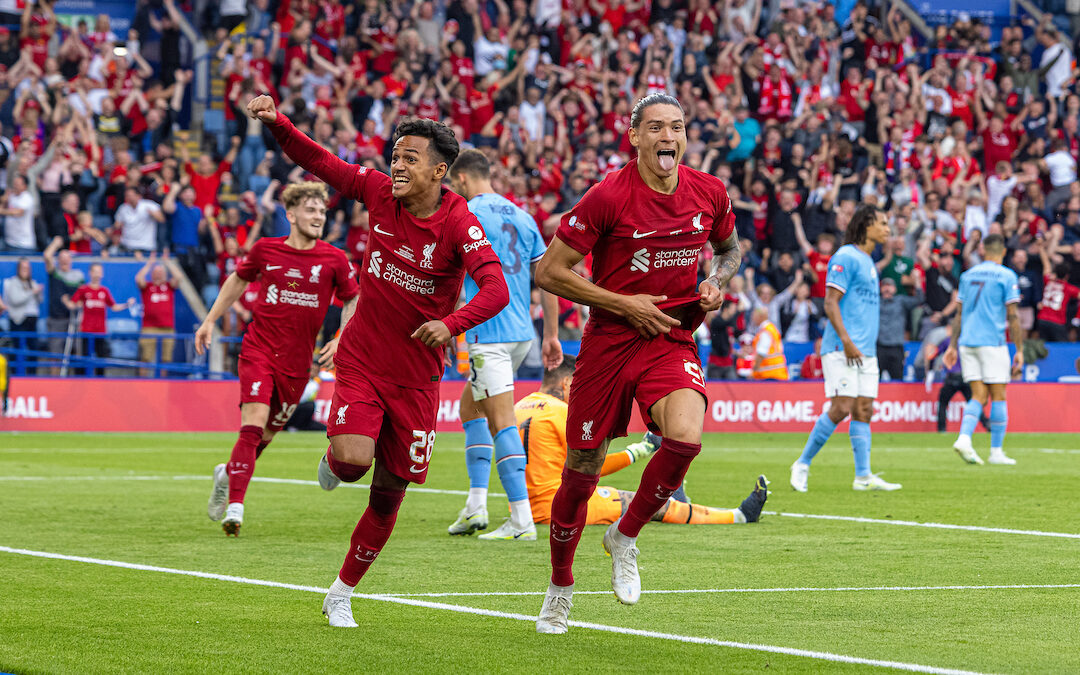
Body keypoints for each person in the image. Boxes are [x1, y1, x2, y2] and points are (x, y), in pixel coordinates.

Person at [245, 95, 508, 628]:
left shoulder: (460, 224)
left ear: (440, 171)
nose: (398, 164)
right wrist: (279, 124)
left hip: (417, 378)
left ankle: (341, 592)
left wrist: (450, 324)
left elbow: (496, 290)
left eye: (411, 158)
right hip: (363, 359)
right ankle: (333, 462)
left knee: (389, 496)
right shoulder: (377, 193)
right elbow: (320, 162)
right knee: (351, 462)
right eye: (396, 154)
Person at [531, 93, 741, 634]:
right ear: (635, 136)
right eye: (654, 128)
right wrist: (624, 303)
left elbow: (729, 250)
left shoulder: (709, 191)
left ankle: (624, 535)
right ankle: (559, 587)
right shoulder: (608, 196)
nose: (666, 136)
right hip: (608, 341)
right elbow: (551, 272)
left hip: (669, 337)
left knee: (687, 438)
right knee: (579, 473)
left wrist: (715, 281)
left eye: (676, 127)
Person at [196, 181, 360, 536]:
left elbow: (353, 298)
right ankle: (236, 508)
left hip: (298, 363)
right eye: (311, 210)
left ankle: (228, 473)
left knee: (264, 438)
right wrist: (210, 320)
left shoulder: (333, 258)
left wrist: (342, 337)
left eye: (322, 211)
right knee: (252, 424)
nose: (319, 216)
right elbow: (237, 282)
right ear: (291, 214)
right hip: (258, 350)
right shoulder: (265, 249)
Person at [445, 148, 563, 541]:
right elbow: (547, 278)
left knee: (500, 420)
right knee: (470, 407)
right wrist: (550, 335)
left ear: (461, 179)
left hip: (488, 332)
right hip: (521, 333)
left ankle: (521, 520)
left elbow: (451, 275)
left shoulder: (466, 214)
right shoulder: (524, 216)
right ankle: (476, 507)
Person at [518, 356, 768, 528]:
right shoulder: (561, 412)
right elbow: (591, 467)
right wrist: (641, 450)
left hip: (526, 509)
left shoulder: (518, 408)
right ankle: (738, 517)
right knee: (651, 505)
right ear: (567, 383)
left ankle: (677, 497)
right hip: (560, 507)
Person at [790, 205, 901, 493]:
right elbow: (830, 302)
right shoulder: (846, 256)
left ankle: (863, 476)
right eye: (883, 223)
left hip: (866, 351)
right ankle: (802, 463)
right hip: (842, 347)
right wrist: (848, 342)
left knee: (864, 409)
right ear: (867, 225)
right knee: (841, 407)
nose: (888, 229)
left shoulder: (868, 260)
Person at [943, 234, 1024, 465]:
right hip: (992, 342)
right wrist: (1019, 349)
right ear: (1003, 252)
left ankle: (964, 438)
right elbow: (1013, 315)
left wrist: (952, 345)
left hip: (968, 342)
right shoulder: (1007, 276)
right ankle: (996, 451)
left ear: (983, 250)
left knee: (978, 395)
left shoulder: (967, 275)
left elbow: (958, 314)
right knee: (998, 395)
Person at [64, 263, 135, 376]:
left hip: (100, 332)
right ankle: (82, 383)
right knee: (84, 360)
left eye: (99, 272)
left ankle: (100, 383)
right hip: (86, 331)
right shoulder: (83, 290)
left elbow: (114, 306)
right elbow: (73, 304)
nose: (97, 274)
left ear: (102, 274)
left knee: (101, 360)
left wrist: (127, 305)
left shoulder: (104, 291)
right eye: (95, 271)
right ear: (90, 273)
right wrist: (66, 302)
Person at [43, 237, 85, 373]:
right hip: (57, 320)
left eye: (68, 258)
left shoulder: (78, 276)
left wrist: (77, 304)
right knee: (55, 355)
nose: (65, 260)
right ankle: (55, 383)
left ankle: (75, 386)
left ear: (71, 260)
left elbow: (84, 296)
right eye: (62, 258)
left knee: (77, 355)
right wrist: (55, 243)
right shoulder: (55, 273)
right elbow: (47, 256)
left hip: (74, 320)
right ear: (59, 260)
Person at [135, 252, 179, 377]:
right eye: (156, 271)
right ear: (152, 274)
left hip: (168, 328)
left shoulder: (169, 286)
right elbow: (138, 279)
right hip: (149, 327)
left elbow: (179, 277)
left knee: (166, 358)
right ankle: (143, 382)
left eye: (161, 271)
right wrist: (149, 265)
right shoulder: (147, 287)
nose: (159, 273)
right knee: (146, 357)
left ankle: (163, 383)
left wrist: (168, 263)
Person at [748, 306, 788, 380]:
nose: (752, 318)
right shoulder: (771, 329)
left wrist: (753, 372)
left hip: (769, 376)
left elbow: (761, 354)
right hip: (777, 374)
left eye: (754, 316)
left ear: (760, 317)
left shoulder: (765, 332)